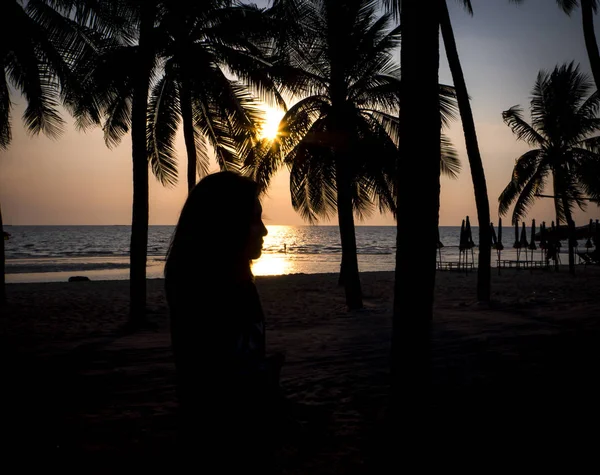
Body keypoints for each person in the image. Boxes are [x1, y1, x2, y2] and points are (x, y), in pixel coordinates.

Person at [164, 171, 284, 471]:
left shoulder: (237, 284)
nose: (265, 231)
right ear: (228, 225)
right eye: (255, 220)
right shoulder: (209, 292)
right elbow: (218, 384)